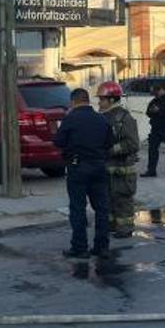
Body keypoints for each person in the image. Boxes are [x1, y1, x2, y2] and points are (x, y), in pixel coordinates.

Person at [53, 88, 114, 259]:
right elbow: (109, 142)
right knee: (102, 208)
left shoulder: (70, 119)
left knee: (78, 208)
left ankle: (80, 248)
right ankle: (102, 247)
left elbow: (58, 141)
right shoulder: (102, 119)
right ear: (87, 100)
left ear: (73, 102)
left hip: (78, 168)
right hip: (99, 167)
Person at [97, 81, 139, 239]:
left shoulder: (124, 118)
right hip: (106, 168)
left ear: (112, 100)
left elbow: (132, 143)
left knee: (122, 200)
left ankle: (125, 227)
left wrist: (111, 149)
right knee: (107, 200)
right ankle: (111, 225)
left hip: (122, 169)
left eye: (102, 99)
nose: (99, 102)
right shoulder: (102, 117)